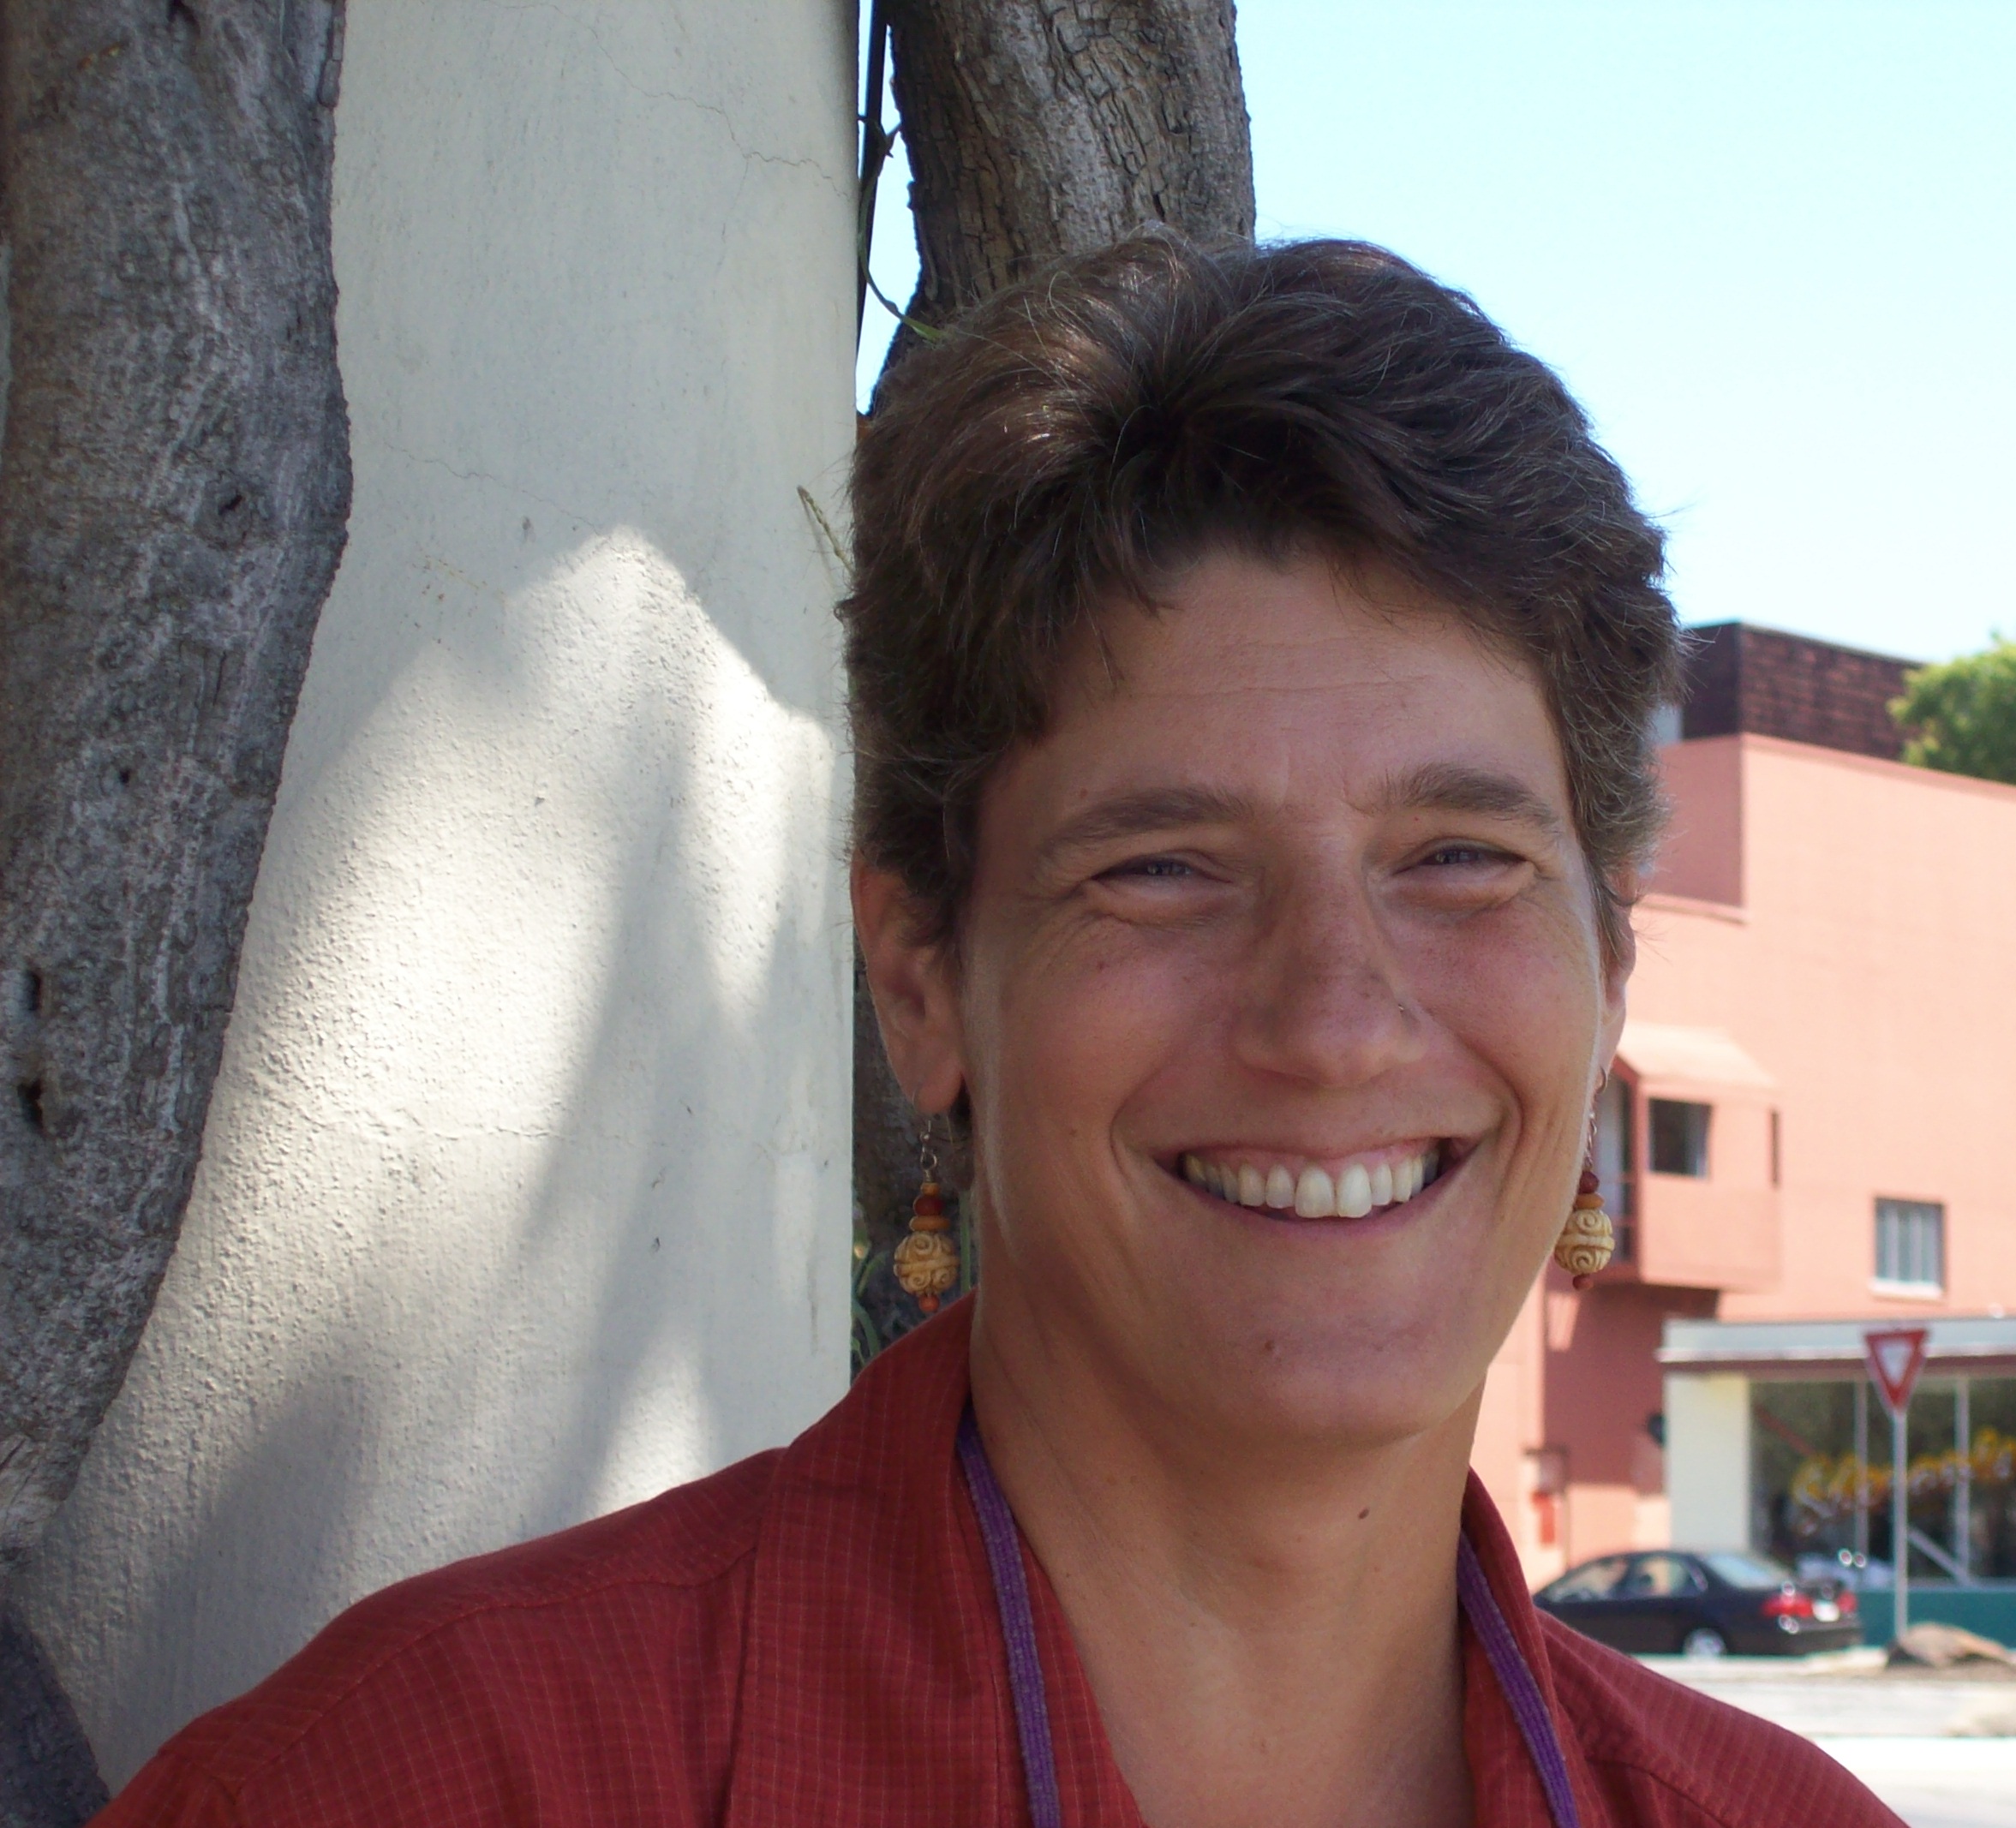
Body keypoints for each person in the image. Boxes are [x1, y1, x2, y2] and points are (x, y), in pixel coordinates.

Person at [99, 234, 1899, 1826]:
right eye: (1161, 868)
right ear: (921, 980)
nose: (1336, 1022)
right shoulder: (417, 1784)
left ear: (1610, 961)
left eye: (1457, 856)